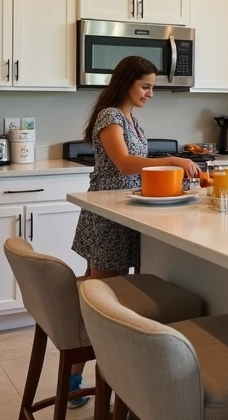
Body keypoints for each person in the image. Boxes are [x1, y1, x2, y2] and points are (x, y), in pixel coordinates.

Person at [67, 55, 200, 405]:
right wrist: (171, 160)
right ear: (126, 82)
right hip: (108, 216)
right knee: (105, 301)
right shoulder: (110, 115)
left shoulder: (130, 118)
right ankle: (90, 377)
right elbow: (125, 163)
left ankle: (80, 375)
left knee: (104, 294)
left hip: (122, 211)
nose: (150, 93)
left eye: (153, 87)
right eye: (146, 86)